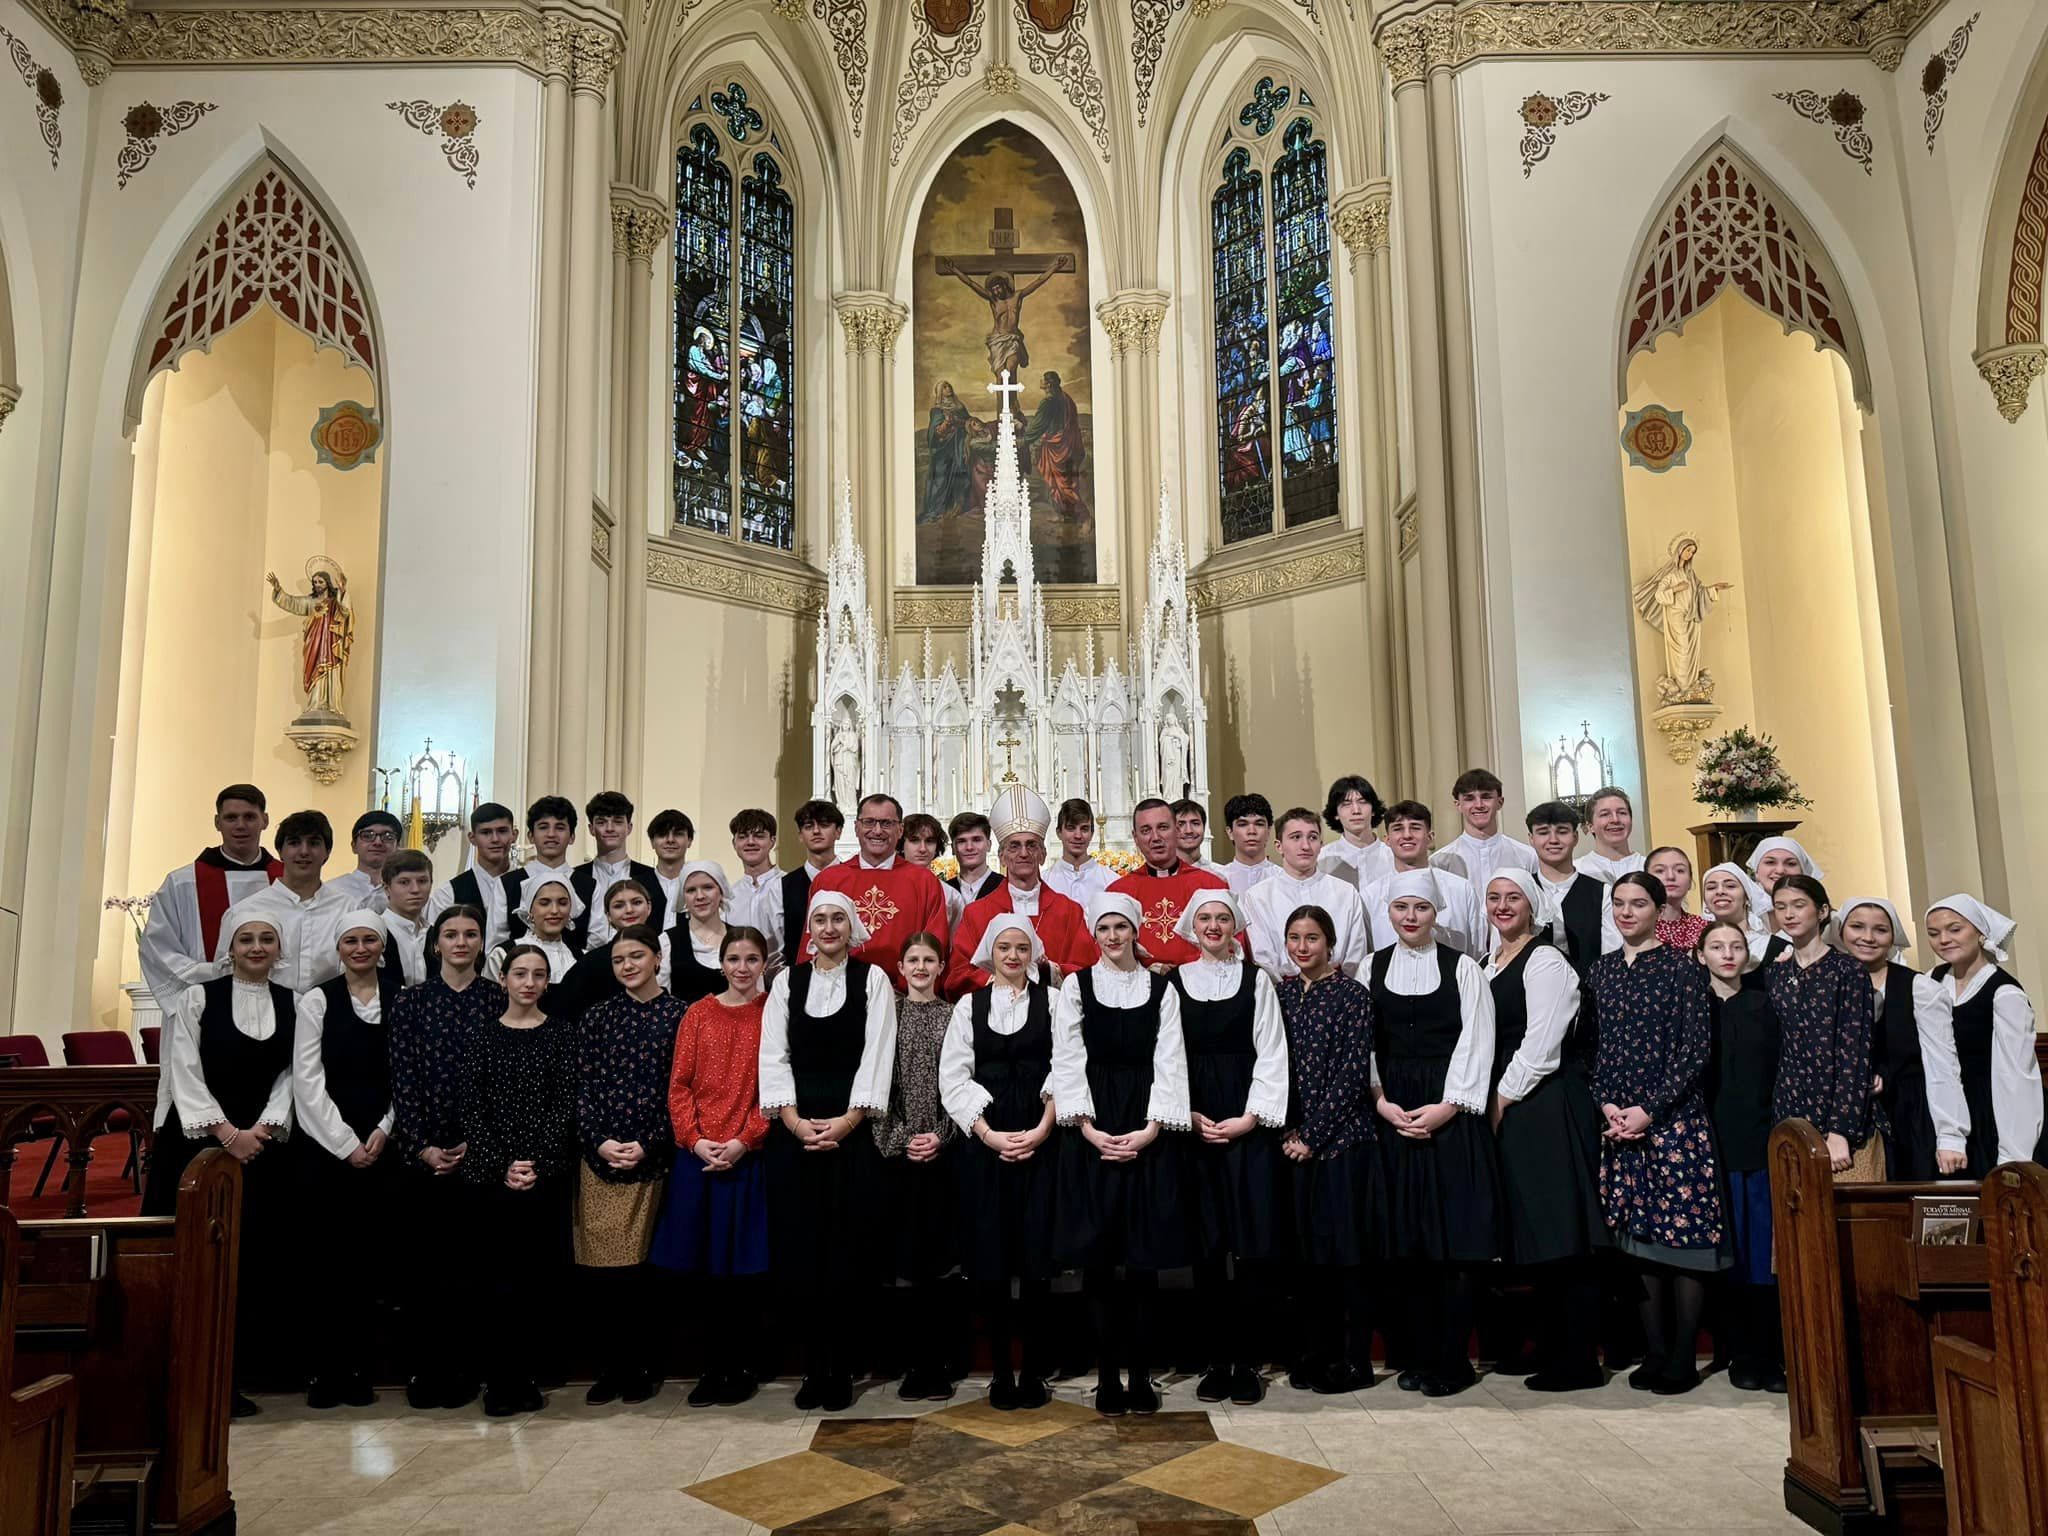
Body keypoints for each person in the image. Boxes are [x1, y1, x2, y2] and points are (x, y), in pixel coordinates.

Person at [141, 901, 296, 1415]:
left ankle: (238, 1374)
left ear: (278, 949)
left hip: (263, 1145)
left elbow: (292, 1074)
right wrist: (228, 1133)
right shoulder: (196, 998)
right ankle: (183, 1378)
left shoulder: (294, 1003)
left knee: (250, 1260)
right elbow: (183, 1067)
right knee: (198, 1259)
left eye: (266, 939)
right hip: (200, 1142)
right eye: (246, 939)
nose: (256, 948)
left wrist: (265, 1128)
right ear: (229, 948)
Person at [1052, 892, 1191, 1416]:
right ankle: (1108, 1374)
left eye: (1121, 927)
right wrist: (1088, 1128)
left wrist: (1152, 1128)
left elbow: (1170, 1059)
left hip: (1145, 1121)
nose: (1112, 937)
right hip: (1093, 1123)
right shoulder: (1076, 985)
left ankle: (1141, 1375)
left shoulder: (1161, 988)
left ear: (1136, 931)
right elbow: (1067, 1057)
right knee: (1100, 1261)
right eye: (1104, 928)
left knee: (1143, 1261)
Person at [759, 890, 898, 1410]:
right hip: (797, 1128)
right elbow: (774, 1054)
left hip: (851, 1128)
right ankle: (812, 1366)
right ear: (809, 928)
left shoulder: (873, 980)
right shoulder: (786, 983)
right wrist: (794, 1123)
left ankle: (843, 1365)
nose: (829, 926)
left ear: (852, 925)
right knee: (803, 1250)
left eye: (839, 918)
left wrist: (847, 1120)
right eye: (820, 918)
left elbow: (878, 1051)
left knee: (848, 1249)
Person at [1591, 871, 1724, 1395]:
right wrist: (1608, 1102)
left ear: (1658, 910)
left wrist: (1648, 1109)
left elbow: (1695, 1051)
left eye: (1638, 904)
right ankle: (1655, 1351)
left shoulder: (1681, 970)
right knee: (1639, 1243)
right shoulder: (1600, 971)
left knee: (1683, 1243)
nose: (1627, 913)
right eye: (1619, 904)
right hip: (1618, 1123)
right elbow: (1593, 1048)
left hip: (1673, 1122)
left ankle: (1685, 1356)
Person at [1368, 871, 1499, 1398]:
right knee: (1409, 1243)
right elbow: (1366, 1043)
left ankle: (1453, 1358)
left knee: (1453, 1242)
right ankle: (1418, 1354)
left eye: (1420, 908)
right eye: (1401, 907)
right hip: (1393, 1110)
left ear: (1436, 912)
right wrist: (1380, 1101)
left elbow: (1477, 1041)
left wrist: (1448, 1106)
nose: (1410, 917)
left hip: (1450, 1111)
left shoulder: (1463, 967)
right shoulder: (1370, 965)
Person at [1481, 871, 1608, 1393]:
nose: (1503, 906)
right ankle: (1547, 1344)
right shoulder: (1491, 962)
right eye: (1494, 898)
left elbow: (1542, 1045)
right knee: (1531, 1230)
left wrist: (1502, 1097)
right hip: (1512, 1104)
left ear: (1532, 907)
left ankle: (1579, 1359)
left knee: (1561, 1230)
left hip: (1542, 1102)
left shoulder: (1546, 961)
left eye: (1514, 898)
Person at [1173, 891, 1289, 1404]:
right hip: (1195, 1121)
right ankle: (1214, 1360)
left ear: (1235, 925)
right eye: (1205, 918)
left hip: (1246, 1121)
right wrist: (1188, 1113)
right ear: (1191, 927)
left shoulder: (1257, 979)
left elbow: (1271, 1052)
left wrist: (1249, 1118)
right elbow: (1168, 1054)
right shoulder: (1174, 982)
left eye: (1223, 918)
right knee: (1205, 1248)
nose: (1214, 925)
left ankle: (1247, 1361)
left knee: (1250, 1247)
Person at [388, 905, 506, 1409]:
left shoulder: (496, 1000)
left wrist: (478, 1143)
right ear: (435, 943)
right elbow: (402, 1080)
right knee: (425, 1268)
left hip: (481, 1154)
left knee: (474, 1266)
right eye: (451, 934)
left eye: (471, 934)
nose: (461, 942)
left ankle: (467, 1368)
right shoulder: (411, 1003)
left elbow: (503, 1083)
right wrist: (421, 1146)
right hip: (424, 1151)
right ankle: (427, 1369)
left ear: (482, 943)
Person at [941, 914, 1061, 1410]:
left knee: (1035, 1261)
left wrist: (1040, 1128)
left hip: (1040, 1138)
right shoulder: (969, 1006)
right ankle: (1000, 1372)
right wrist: (989, 1134)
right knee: (990, 1260)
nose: (1013, 956)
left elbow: (1066, 1066)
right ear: (989, 952)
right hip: (986, 1142)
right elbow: (954, 1075)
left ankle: (1033, 1368)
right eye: (1003, 947)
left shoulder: (1053, 1002)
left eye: (1021, 947)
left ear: (1034, 952)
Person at [654, 926, 775, 1406]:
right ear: (720, 964)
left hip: (747, 1156)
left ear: (764, 964)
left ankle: (743, 1365)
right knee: (704, 1270)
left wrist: (745, 1140)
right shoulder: (698, 1014)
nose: (742, 968)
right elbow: (679, 1084)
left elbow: (773, 1088)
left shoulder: (771, 1013)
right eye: (734, 959)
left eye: (751, 959)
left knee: (742, 1272)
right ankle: (712, 1367)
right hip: (700, 1158)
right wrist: (696, 1139)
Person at [460, 945, 577, 1416]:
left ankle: (529, 1374)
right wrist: (503, 1164)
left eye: (539, 975)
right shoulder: (483, 1036)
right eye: (520, 974)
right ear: (504, 979)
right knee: (496, 1281)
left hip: (543, 1176)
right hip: (492, 1177)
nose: (529, 982)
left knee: (537, 1280)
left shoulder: (561, 1035)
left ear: (548, 983)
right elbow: (471, 1106)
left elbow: (564, 1106)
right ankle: (499, 1378)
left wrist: (534, 1163)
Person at [292, 910, 401, 1408]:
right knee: (325, 1263)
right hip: (328, 1149)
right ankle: (325, 1372)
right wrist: (345, 1143)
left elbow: (408, 1073)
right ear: (338, 948)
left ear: (382, 946)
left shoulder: (400, 997)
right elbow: (307, 1079)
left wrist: (382, 1130)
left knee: (373, 1261)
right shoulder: (317, 1000)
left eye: (369, 941)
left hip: (386, 1144)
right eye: (351, 941)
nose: (361, 949)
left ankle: (360, 1370)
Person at [575, 925, 683, 1405]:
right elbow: (582, 1087)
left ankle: (643, 1366)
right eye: (619, 960)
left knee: (644, 1274)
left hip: (657, 1157)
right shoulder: (598, 1018)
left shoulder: (681, 1016)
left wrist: (649, 1142)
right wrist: (600, 1142)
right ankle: (610, 1367)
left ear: (657, 958)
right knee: (604, 1274)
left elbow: (683, 1090)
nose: (628, 966)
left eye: (636, 956)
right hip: (600, 1159)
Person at [1276, 905, 1381, 1394]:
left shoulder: (1352, 996)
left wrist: (1312, 1136)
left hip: (1342, 1144)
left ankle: (1354, 1359)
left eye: (1312, 938)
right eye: (1295, 938)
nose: (1303, 947)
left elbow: (1352, 1075)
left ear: (1330, 943)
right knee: (1307, 1261)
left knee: (1348, 1259)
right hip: (1291, 1141)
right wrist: (1289, 1134)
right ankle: (1314, 1353)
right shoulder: (1279, 996)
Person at [139, 784, 282, 1132]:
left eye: (250, 817)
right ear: (217, 822)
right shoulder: (183, 882)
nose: (241, 825)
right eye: (231, 817)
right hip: (202, 1002)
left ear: (265, 820)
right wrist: (208, 972)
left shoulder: (285, 880)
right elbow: (156, 947)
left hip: (274, 1006)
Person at [870, 932, 962, 1403]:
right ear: (900, 969)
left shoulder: (954, 1017)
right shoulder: (888, 1017)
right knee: (905, 1261)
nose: (921, 967)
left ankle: (941, 1361)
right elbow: (876, 1085)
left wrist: (940, 1135)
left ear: (942, 967)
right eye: (913, 960)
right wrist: (905, 1138)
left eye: (930, 959)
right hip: (898, 1153)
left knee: (941, 1261)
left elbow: (964, 1081)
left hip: (943, 1152)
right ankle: (913, 1363)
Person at [1698, 919, 1784, 1392]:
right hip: (1709, 1143)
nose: (1728, 954)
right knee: (1726, 1255)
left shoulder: (1766, 1004)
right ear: (1701, 955)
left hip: (1759, 1139)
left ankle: (1767, 1355)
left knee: (1761, 1256)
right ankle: (1737, 1354)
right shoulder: (1693, 1006)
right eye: (1717, 946)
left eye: (1736, 946)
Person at [1836, 897, 1965, 1182]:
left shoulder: (1919, 988)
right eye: (1857, 927)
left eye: (1880, 930)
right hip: (1850, 1120)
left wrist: (1950, 1135)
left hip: (1909, 1114)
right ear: (1841, 930)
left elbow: (1942, 1064)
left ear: (1893, 936)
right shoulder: (1827, 983)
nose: (1868, 937)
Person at [1765, 875, 1881, 1180]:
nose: (1789, 914)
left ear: (1822, 910)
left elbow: (1855, 1052)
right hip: (1790, 1114)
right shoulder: (1776, 973)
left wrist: (1840, 1129)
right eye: (1781, 907)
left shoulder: (1848, 970)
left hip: (1840, 1118)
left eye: (1799, 905)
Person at [1923, 895, 2044, 1174]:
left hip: (1994, 1112)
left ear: (1980, 932)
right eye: (1933, 933)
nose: (1944, 939)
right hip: (1943, 1111)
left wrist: (2014, 1154)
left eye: (1955, 929)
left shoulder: (2004, 993)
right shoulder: (1930, 982)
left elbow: (2016, 1076)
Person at [946, 786, 1097, 994]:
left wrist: (1050, 970)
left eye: (1032, 845)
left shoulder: (1069, 911)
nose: (1024, 853)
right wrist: (998, 979)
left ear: (1043, 855)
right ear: (1001, 857)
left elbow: (1090, 973)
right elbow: (957, 976)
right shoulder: (977, 913)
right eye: (1014, 846)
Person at [804, 794, 949, 984]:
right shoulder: (829, 880)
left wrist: (908, 990)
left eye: (887, 823)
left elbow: (935, 945)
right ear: (856, 828)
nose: (877, 830)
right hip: (837, 989)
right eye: (869, 822)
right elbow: (811, 944)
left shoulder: (924, 881)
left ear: (900, 830)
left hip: (905, 993)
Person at [1242, 807, 1371, 980]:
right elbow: (1264, 959)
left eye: (1313, 837)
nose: (1306, 845)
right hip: (1283, 993)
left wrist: (1342, 992)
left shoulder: (1345, 892)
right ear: (1279, 846)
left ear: (1321, 845)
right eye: (1296, 837)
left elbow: (1356, 953)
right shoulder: (1258, 896)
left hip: (1340, 991)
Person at [241, 810, 354, 995]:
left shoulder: (349, 909)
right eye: (294, 843)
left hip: (330, 1015)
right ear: (280, 852)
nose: (304, 851)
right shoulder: (249, 910)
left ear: (327, 852)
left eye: (314, 843)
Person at [1108, 799, 1231, 968]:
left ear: (1176, 830)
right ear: (1136, 838)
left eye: (1163, 827)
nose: (1155, 837)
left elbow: (1231, 946)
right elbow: (1106, 954)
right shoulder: (1118, 893)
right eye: (1146, 830)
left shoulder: (1211, 885)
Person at [1363, 801, 1483, 956]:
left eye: (1415, 828)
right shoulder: (1370, 896)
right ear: (1387, 840)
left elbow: (1476, 951)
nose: (1407, 835)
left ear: (1430, 837)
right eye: (1398, 829)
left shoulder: (1461, 889)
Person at [556, 881, 668, 1022]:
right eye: (619, 906)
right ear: (608, 915)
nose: (629, 910)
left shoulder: (668, 949)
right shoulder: (591, 963)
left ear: (649, 907)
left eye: (637, 902)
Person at [1525, 801, 1615, 973]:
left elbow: (1611, 955)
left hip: (1589, 992)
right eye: (1543, 832)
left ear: (1575, 837)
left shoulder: (1602, 892)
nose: (1553, 840)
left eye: (1562, 832)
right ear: (1531, 839)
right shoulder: (1521, 891)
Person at [573, 791, 668, 950]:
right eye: (602, 822)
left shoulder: (652, 877)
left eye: (617, 821)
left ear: (629, 828)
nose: (610, 828)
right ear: (591, 829)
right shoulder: (574, 878)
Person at [426, 802, 520, 950]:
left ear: (514, 835)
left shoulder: (528, 884)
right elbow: (435, 945)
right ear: (472, 838)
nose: (495, 839)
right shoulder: (448, 894)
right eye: (486, 832)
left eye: (502, 831)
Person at [1431, 769, 1539, 890]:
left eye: (1486, 797)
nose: (1479, 805)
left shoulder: (1527, 856)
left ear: (1500, 802)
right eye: (1469, 798)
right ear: (1458, 805)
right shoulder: (1440, 862)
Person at [503, 795, 581, 942]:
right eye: (543, 827)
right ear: (531, 836)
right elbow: (496, 942)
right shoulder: (507, 884)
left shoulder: (589, 885)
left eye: (560, 827)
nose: (551, 834)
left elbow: (596, 943)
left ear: (572, 837)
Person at [485, 875, 578, 986]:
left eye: (562, 903)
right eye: (544, 903)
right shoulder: (502, 955)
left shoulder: (580, 957)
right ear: (530, 910)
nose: (554, 910)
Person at [782, 798, 845, 955]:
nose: (816, 831)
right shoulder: (783, 885)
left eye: (824, 825)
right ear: (800, 835)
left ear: (838, 831)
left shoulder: (854, 881)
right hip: (797, 973)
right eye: (809, 826)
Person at [1747, 837, 1825, 961]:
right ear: (1756, 871)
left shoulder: (1822, 915)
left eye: (1790, 864)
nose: (1780, 870)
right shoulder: (1741, 911)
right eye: (1770, 862)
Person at [666, 861, 734, 1005]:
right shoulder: (667, 942)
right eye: (691, 890)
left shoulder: (740, 939)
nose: (700, 896)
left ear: (721, 891)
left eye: (707, 887)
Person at [1318, 774, 1397, 890]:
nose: (1356, 810)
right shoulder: (1323, 858)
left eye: (1362, 802)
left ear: (1373, 810)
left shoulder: (1393, 855)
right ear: (1336, 814)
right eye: (1346, 804)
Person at [727, 809, 785, 966]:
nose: (750, 842)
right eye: (743, 837)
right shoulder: (729, 896)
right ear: (734, 843)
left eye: (759, 836)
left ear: (772, 841)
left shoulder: (788, 886)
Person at [377, 849, 435, 987]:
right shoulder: (374, 932)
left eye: (422, 881)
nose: (415, 889)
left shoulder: (436, 934)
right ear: (386, 888)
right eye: (404, 882)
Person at [903, 813, 967, 935]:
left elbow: (955, 942)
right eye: (914, 840)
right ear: (902, 843)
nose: (922, 849)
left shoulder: (951, 895)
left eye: (929, 841)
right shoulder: (888, 886)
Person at [1044, 797, 1115, 906]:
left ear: (1091, 833)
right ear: (1059, 833)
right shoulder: (1044, 882)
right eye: (1071, 828)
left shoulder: (1111, 881)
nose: (1078, 836)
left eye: (1084, 829)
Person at [1701, 862, 1773, 962]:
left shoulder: (1769, 946)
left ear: (1747, 897)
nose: (1720, 891)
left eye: (1730, 886)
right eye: (1711, 887)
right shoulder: (1700, 948)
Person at [329, 810, 403, 907]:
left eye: (388, 836)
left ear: (397, 847)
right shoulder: (332, 891)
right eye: (368, 836)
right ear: (354, 846)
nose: (378, 842)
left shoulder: (412, 892)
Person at [1574, 788, 1643, 884]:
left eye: (1622, 813)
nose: (1615, 820)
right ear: (1590, 826)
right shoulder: (1577, 871)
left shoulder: (1649, 867)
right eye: (1605, 814)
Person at [1645, 847, 1707, 953]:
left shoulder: (1703, 928)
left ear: (1690, 880)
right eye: (1660, 871)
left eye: (1680, 870)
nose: (1671, 876)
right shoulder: (1637, 925)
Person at [648, 808, 697, 934]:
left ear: (690, 840)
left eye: (678, 834)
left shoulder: (700, 886)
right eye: (662, 834)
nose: (670, 840)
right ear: (652, 842)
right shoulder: (637, 885)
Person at [1221, 793, 1277, 895]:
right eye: (1242, 824)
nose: (1252, 831)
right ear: (1230, 832)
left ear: (1268, 831)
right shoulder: (1219, 879)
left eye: (1259, 824)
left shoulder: (1282, 877)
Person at [947, 811, 1001, 901]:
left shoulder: (1006, 887)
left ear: (989, 845)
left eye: (976, 840)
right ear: (953, 848)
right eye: (962, 841)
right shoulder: (943, 891)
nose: (969, 847)